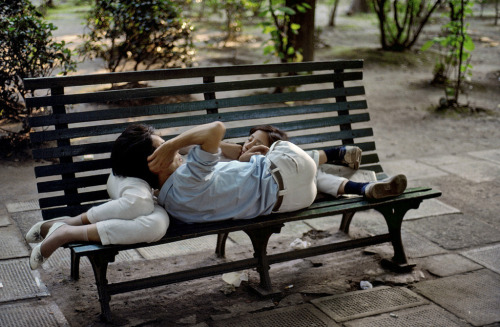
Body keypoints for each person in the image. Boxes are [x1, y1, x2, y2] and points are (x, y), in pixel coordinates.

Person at [147, 121, 407, 224]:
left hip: (292, 201)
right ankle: (338, 153)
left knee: (311, 173)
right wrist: (172, 144)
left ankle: (363, 188)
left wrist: (246, 159)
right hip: (291, 175)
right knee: (301, 162)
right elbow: (216, 129)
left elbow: (231, 164)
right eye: (167, 153)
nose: (176, 154)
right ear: (156, 163)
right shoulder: (188, 177)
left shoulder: (171, 201)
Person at [28, 125, 170, 270]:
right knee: (141, 204)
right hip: (126, 179)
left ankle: (67, 231)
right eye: (163, 146)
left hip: (145, 193)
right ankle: (73, 222)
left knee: (157, 225)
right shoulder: (139, 177)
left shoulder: (183, 154)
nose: (170, 148)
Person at [220, 124, 406, 199]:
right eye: (250, 138)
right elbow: (222, 147)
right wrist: (242, 153)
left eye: (257, 143)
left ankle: (364, 188)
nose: (249, 143)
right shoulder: (231, 155)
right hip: (267, 196)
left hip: (283, 188)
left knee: (314, 176)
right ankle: (338, 155)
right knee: (309, 172)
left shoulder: (265, 159)